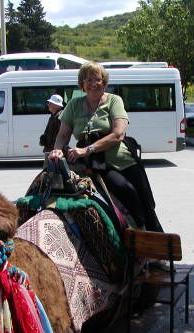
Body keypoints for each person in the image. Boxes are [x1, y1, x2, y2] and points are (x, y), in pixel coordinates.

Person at [48, 62, 162, 232]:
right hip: (88, 163)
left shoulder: (114, 101)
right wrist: (57, 149)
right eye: (88, 80)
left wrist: (87, 149)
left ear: (105, 83)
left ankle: (149, 236)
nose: (93, 84)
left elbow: (118, 134)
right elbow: (63, 135)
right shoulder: (73, 104)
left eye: (97, 80)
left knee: (135, 195)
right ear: (82, 84)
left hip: (119, 160)